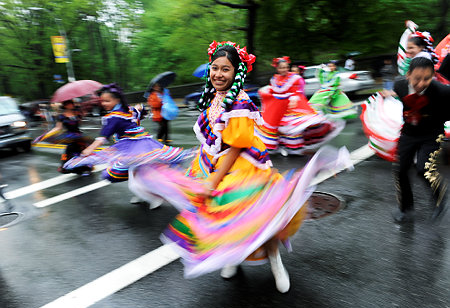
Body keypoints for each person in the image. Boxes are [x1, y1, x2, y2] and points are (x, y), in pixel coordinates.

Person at [128, 41, 352, 293]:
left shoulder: (240, 101)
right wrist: (202, 167)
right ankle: (233, 256)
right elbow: (212, 140)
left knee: (257, 216)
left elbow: (235, 147)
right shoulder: (213, 97)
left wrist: (213, 181)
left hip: (243, 166)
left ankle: (275, 261)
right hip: (216, 163)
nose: (218, 74)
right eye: (215, 68)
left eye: (225, 69)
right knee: (222, 218)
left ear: (236, 72)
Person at [64, 83, 190, 208]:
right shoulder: (128, 109)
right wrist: (140, 108)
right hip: (142, 145)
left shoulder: (114, 116)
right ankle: (149, 195)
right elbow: (141, 113)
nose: (104, 103)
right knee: (137, 174)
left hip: (134, 147)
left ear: (117, 99)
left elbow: (103, 136)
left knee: (136, 176)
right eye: (103, 101)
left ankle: (155, 197)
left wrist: (89, 149)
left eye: (107, 101)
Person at [388, 58, 450, 223]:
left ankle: (439, 198)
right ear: (408, 75)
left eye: (427, 79)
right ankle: (405, 208)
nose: (421, 83)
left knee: (423, 168)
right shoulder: (399, 85)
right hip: (408, 133)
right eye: (417, 78)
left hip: (432, 134)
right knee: (400, 169)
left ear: (433, 76)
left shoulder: (442, 91)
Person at [257, 57, 344, 156]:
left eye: (286, 67)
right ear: (277, 68)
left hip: (292, 107)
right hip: (279, 109)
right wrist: (266, 94)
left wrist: (293, 98)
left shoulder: (295, 78)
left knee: (294, 127)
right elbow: (272, 91)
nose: (284, 69)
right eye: (281, 68)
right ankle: (284, 146)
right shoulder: (274, 79)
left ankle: (294, 147)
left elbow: (297, 92)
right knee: (280, 128)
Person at [33, 99, 93, 175]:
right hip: (70, 138)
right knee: (70, 153)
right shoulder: (61, 116)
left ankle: (84, 169)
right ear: (65, 105)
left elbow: (80, 121)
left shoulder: (77, 113)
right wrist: (44, 136)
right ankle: (76, 169)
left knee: (82, 153)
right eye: (69, 104)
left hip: (79, 137)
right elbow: (57, 128)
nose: (71, 105)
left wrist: (79, 114)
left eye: (72, 103)